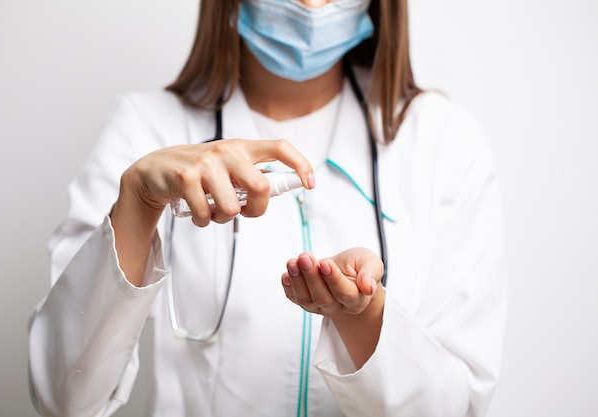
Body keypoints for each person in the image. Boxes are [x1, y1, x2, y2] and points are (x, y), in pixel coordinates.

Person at [28, 0, 507, 416]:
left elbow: (455, 408)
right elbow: (64, 399)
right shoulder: (145, 128)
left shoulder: (441, 140)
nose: (311, 6)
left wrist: (360, 314)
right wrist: (137, 203)